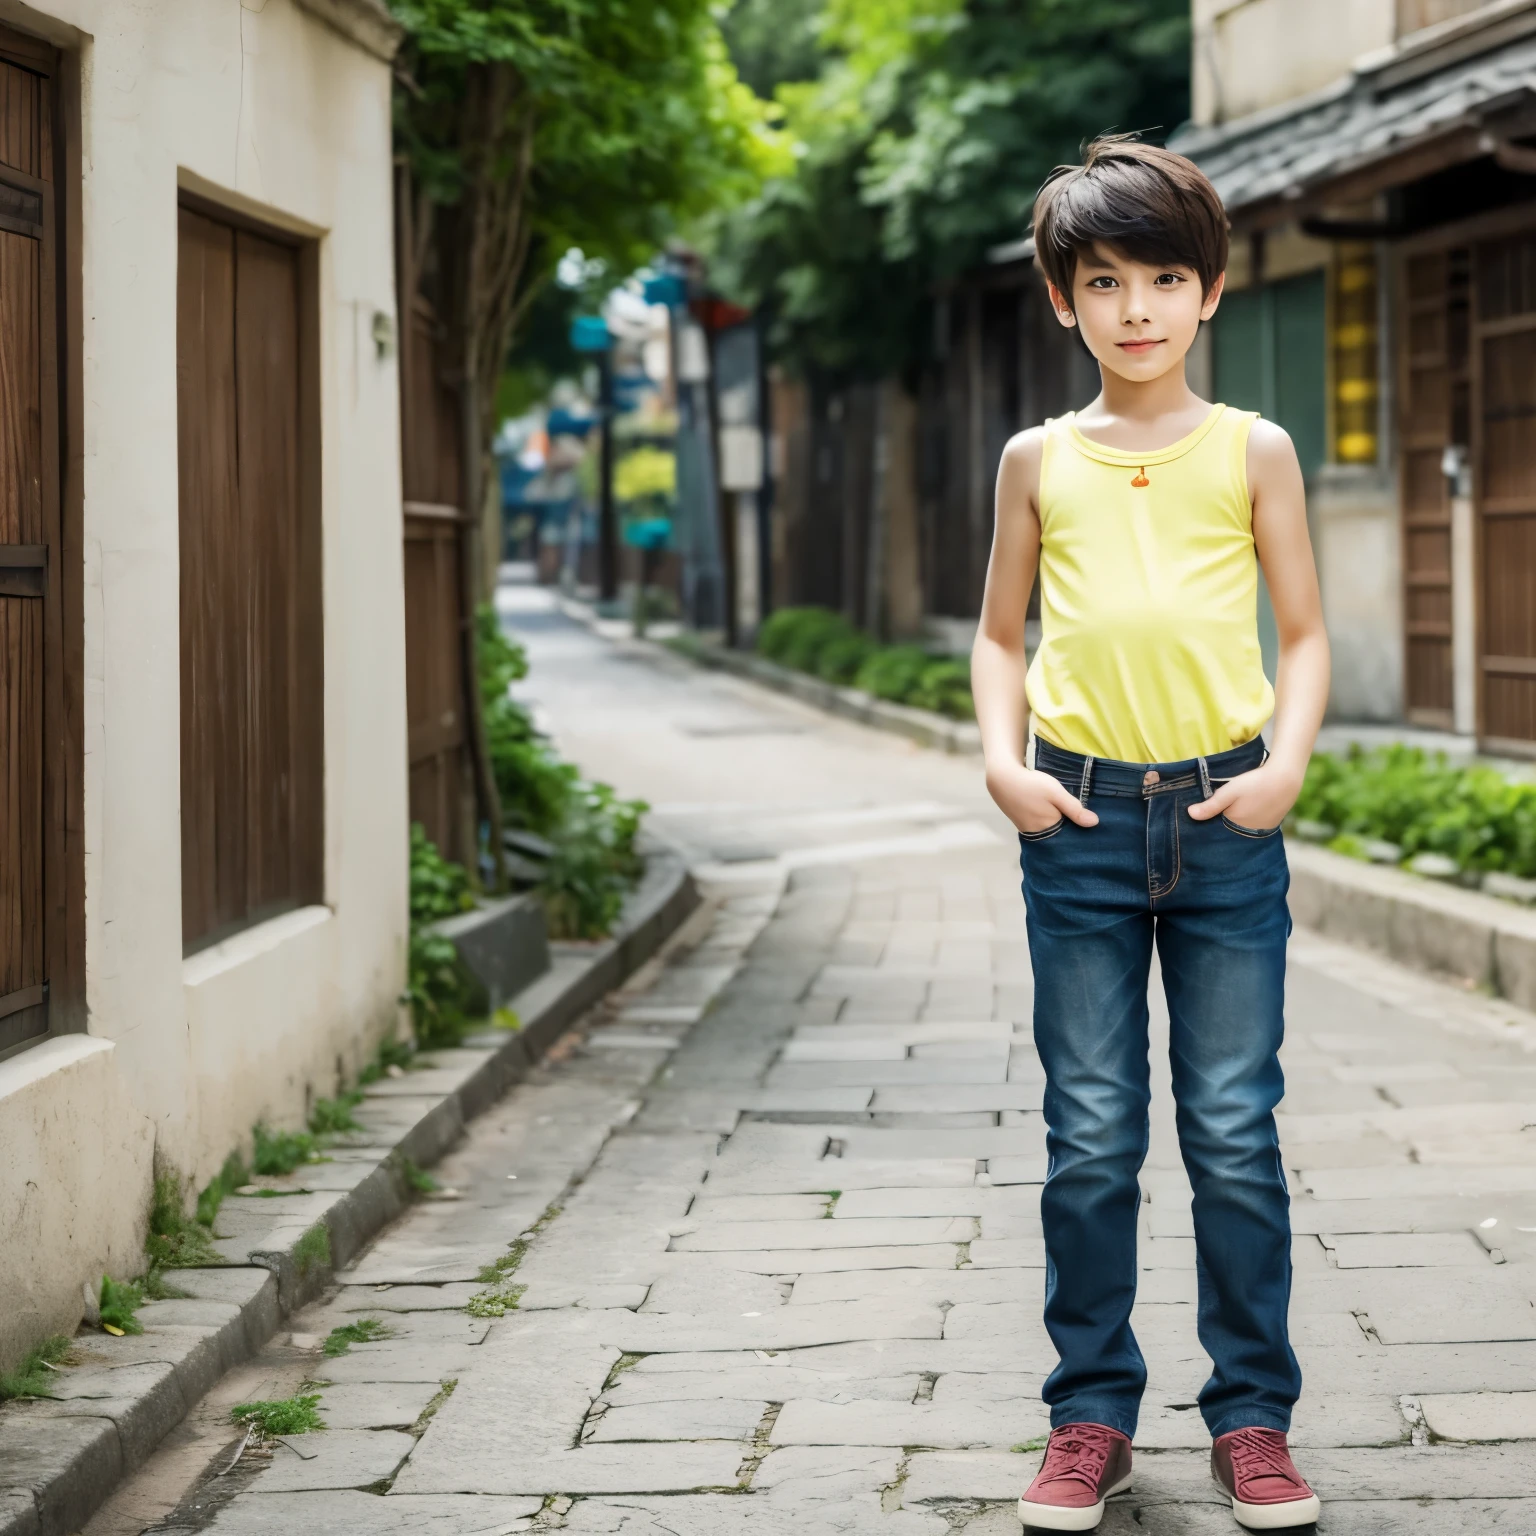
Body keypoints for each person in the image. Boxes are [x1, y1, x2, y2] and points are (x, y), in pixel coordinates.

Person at [970, 136, 1329, 1533]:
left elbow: (1301, 636)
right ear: (1063, 298)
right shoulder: (1035, 462)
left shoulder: (1254, 450)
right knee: (1091, 1134)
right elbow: (1003, 638)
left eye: (1165, 277)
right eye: (1105, 280)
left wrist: (1286, 766)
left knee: (1236, 1130)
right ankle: (1090, 1418)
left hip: (1229, 819)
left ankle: (1253, 1418)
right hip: (1078, 823)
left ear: (1211, 291)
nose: (1137, 308)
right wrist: (1003, 764)